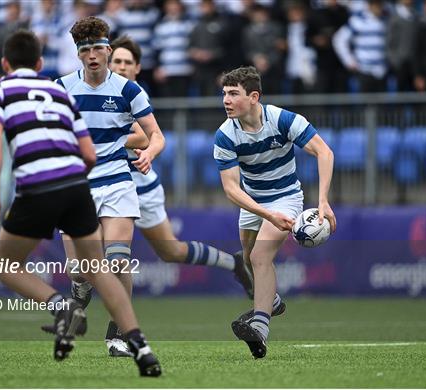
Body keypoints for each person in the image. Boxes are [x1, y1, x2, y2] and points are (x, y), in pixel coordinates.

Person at [46, 35, 257, 356]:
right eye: (116, 60)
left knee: (163, 253)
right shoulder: (83, 90)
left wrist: (110, 140)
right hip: (96, 184)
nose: (119, 66)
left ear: (137, 68)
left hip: (137, 186)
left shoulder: (132, 95)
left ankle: (232, 264)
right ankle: (80, 302)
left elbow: (149, 136)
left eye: (126, 63)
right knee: (81, 268)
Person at [0, 29, 161, 377]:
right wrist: (80, 182)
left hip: (41, 185)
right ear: (40, 63)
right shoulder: (58, 90)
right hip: (78, 184)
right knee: (90, 268)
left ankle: (65, 309)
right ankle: (143, 349)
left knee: (6, 265)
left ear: (4, 64)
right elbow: (88, 152)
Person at [55, 17, 165, 357]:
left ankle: (117, 336)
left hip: (117, 182)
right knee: (80, 270)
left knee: (118, 262)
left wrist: (148, 153)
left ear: (108, 49)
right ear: (78, 54)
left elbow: (156, 135)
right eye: (84, 49)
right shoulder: (61, 88)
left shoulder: (128, 90)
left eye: (97, 48)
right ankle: (79, 287)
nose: (92, 55)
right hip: (76, 187)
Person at [214, 66, 336, 359]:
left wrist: (323, 201)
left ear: (254, 97)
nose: (226, 100)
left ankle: (260, 328)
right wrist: (264, 214)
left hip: (285, 197)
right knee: (247, 259)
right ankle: (273, 302)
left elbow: (324, 152)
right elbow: (231, 189)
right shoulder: (225, 135)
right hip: (251, 200)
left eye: (233, 94)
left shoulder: (283, 120)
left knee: (259, 257)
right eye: (224, 94)